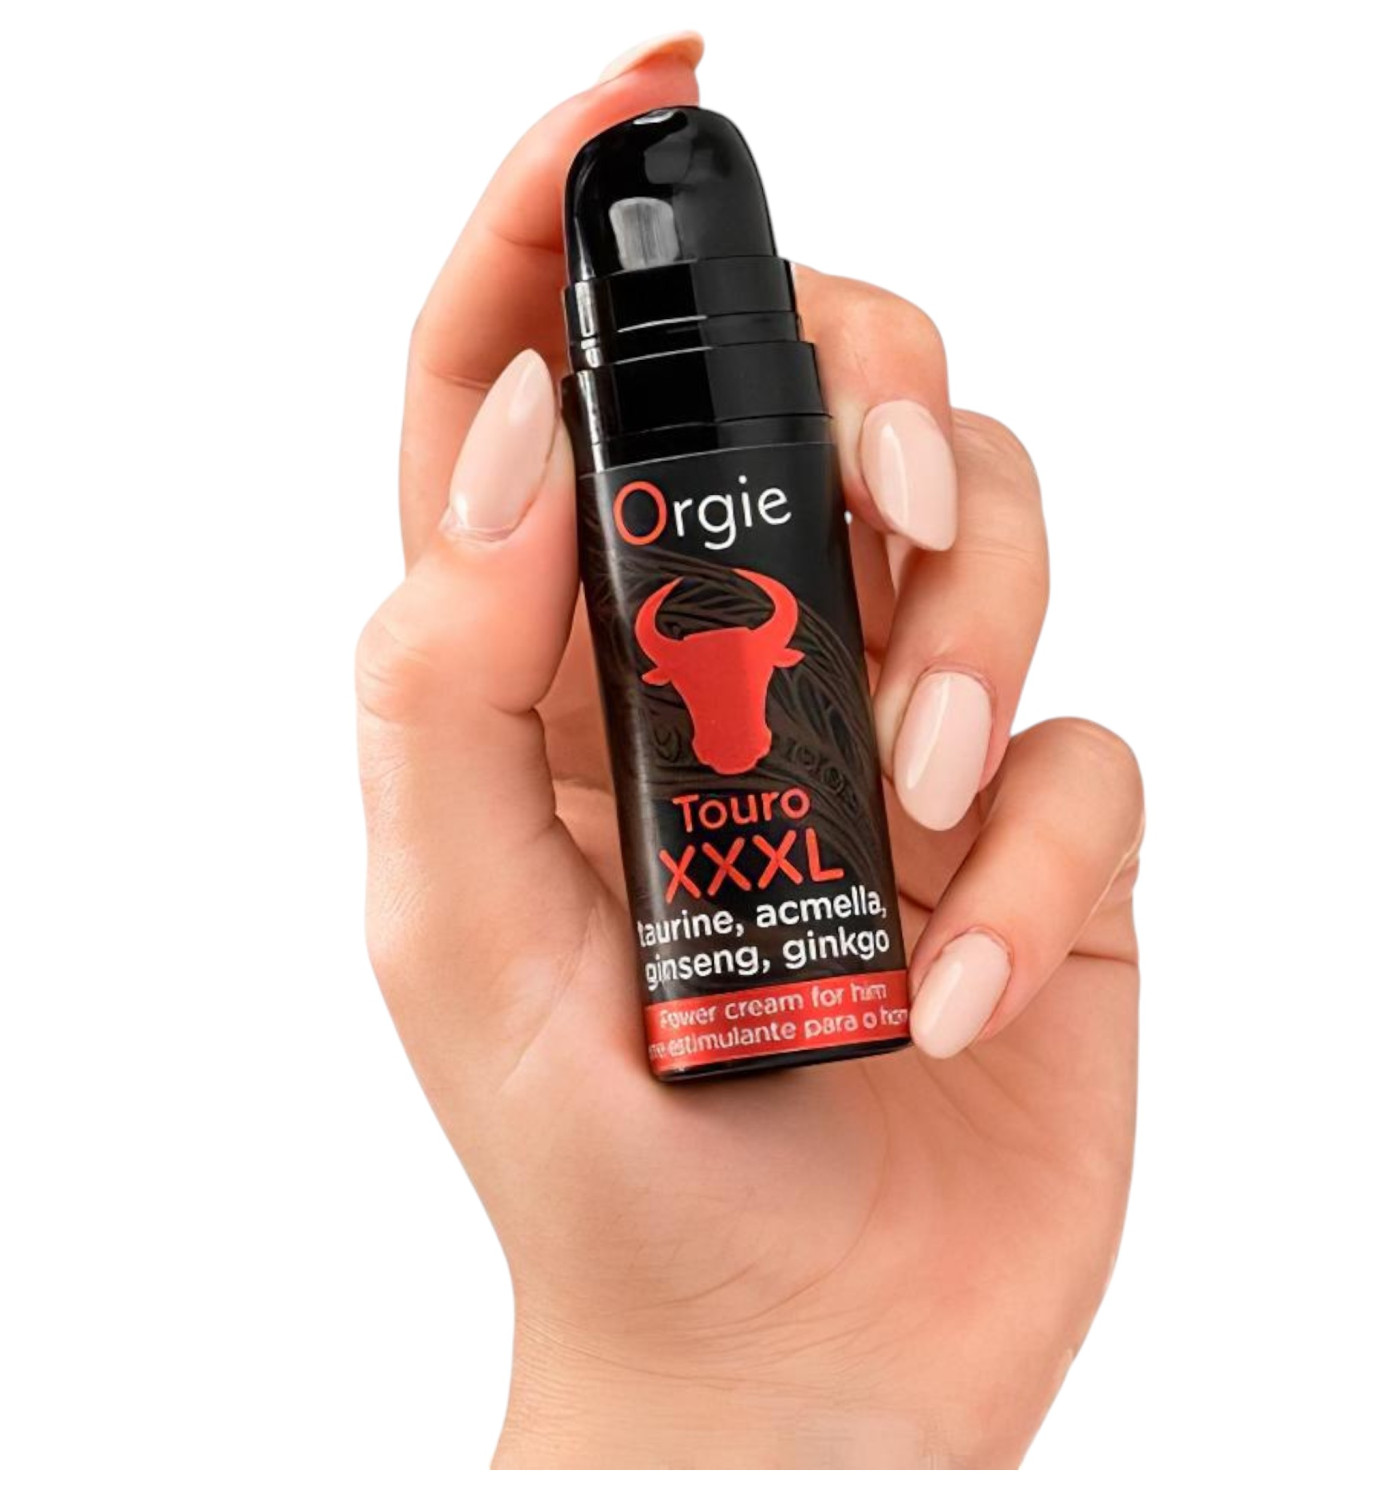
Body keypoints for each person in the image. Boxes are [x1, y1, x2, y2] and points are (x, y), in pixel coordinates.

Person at [355, 31, 1144, 1469]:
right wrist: (709, 1389)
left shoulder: (707, 483)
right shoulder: (620, 497)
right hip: (698, 993)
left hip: (849, 979)